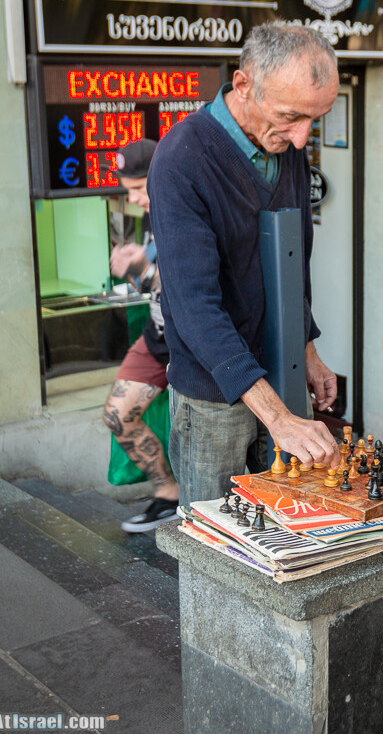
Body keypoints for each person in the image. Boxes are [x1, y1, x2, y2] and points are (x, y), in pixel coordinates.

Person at [149, 25, 341, 506]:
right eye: (291, 117)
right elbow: (194, 308)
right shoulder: (181, 159)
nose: (301, 140)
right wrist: (279, 419)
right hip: (212, 397)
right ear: (242, 85)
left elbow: (296, 261)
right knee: (218, 545)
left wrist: (308, 350)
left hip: (280, 371)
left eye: (315, 120)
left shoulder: (284, 147)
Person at [101, 138, 180, 533]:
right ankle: (169, 494)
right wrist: (137, 260)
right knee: (118, 415)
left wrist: (141, 270)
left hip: (189, 345)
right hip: (155, 337)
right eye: (128, 190)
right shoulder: (150, 215)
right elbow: (154, 269)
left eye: (139, 188)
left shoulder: (182, 205)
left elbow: (185, 280)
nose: (135, 199)